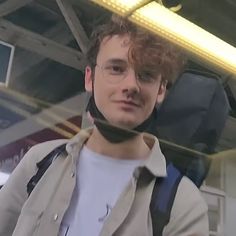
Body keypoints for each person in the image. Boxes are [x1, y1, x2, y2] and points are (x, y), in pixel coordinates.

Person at [0, 15, 209, 236]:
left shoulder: (182, 203)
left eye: (146, 75)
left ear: (160, 90)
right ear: (89, 78)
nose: (131, 85)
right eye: (116, 69)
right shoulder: (40, 162)